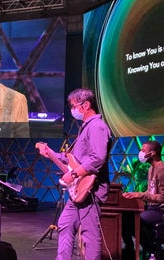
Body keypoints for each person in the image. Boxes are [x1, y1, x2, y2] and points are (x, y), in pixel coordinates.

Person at [37, 88, 111, 260]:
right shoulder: (85, 128)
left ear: (85, 105)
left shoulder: (96, 126)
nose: (72, 111)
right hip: (78, 192)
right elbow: (74, 159)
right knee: (65, 224)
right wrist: (51, 153)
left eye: (73, 106)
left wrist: (75, 174)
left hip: (89, 191)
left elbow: (97, 158)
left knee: (89, 235)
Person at [122, 140, 164, 259]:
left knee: (137, 221)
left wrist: (141, 195)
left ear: (152, 153)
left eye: (143, 150)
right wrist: (135, 195)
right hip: (153, 208)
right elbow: (151, 193)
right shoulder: (151, 169)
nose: (140, 153)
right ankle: (130, 249)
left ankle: (156, 251)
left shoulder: (163, 170)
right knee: (126, 217)